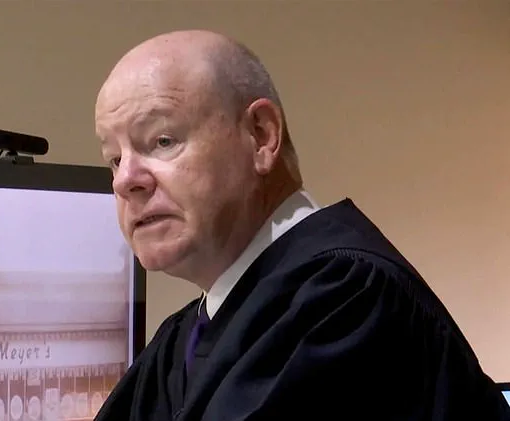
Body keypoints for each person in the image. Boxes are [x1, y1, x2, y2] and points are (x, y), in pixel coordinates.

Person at [93, 29, 510, 421]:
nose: (125, 180)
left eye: (162, 141)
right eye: (115, 158)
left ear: (261, 136)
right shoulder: (185, 337)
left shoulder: (347, 302)